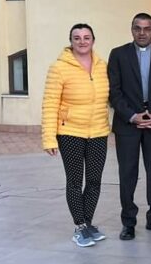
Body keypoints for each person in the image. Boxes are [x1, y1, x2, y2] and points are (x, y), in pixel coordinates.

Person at [108, 13, 151, 239]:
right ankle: (128, 222)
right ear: (131, 29)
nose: (142, 32)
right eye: (138, 28)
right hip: (127, 124)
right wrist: (131, 116)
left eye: (147, 28)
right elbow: (114, 92)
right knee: (127, 173)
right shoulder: (118, 55)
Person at [42, 23, 111, 248]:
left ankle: (88, 223)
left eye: (86, 37)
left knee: (94, 181)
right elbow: (50, 104)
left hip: (99, 132)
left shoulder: (102, 66)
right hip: (70, 132)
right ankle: (79, 226)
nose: (82, 41)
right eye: (77, 37)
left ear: (93, 39)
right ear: (70, 41)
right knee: (74, 181)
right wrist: (49, 138)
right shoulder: (59, 67)